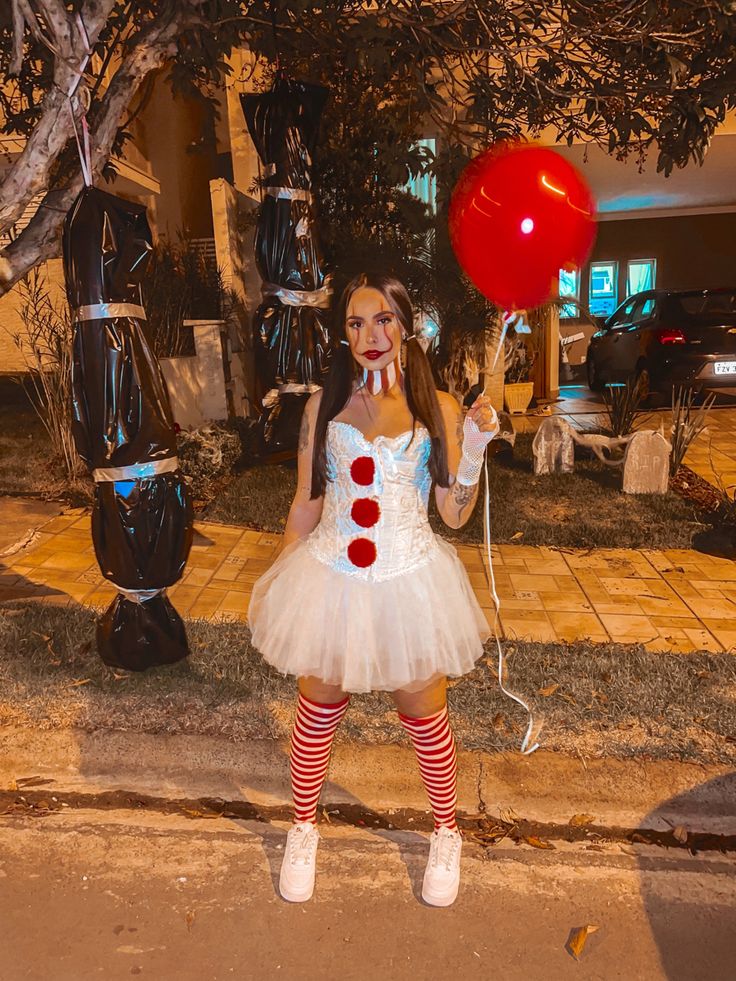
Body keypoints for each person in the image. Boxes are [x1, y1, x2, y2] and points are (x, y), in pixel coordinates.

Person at [248, 272, 499, 907]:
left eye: (383, 319)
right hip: (333, 576)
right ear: (344, 335)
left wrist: (471, 450)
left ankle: (446, 832)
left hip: (407, 579)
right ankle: (303, 828)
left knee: (423, 713)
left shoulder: (436, 407)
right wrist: (279, 578)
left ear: (406, 326)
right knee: (317, 706)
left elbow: (454, 513)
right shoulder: (323, 408)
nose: (371, 335)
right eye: (357, 323)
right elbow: (306, 505)